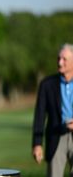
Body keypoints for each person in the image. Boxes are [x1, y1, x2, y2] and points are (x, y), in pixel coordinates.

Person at [32, 43, 73, 177]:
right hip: (56, 137)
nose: (60, 63)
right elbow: (39, 116)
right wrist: (37, 144)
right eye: (58, 59)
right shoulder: (47, 84)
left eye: (64, 59)